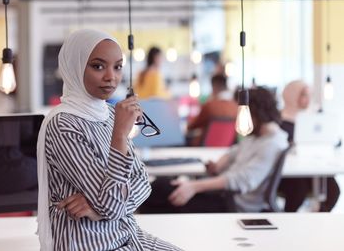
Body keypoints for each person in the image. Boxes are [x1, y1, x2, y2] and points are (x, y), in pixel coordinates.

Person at [36, 29, 183, 251]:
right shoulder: (63, 125)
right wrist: (120, 136)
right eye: (98, 66)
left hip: (127, 235)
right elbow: (112, 206)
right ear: (74, 68)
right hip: (90, 244)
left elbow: (143, 182)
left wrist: (97, 209)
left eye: (117, 67)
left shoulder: (111, 113)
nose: (111, 77)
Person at [141, 87, 289, 213]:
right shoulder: (257, 136)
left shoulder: (272, 144)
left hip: (231, 205)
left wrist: (194, 187)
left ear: (255, 113)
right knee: (159, 186)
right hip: (222, 195)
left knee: (159, 195)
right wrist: (218, 165)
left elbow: (241, 181)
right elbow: (234, 151)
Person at [278, 80, 341, 212]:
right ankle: (287, 222)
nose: (307, 99)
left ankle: (318, 219)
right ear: (292, 96)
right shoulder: (279, 119)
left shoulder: (313, 116)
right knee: (298, 192)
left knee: (333, 190)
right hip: (291, 172)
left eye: (309, 95)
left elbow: (334, 140)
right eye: (303, 95)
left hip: (314, 167)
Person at [186, 73, 238, 146]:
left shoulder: (210, 106)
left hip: (203, 149)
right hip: (227, 150)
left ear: (214, 87)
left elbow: (191, 126)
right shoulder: (235, 107)